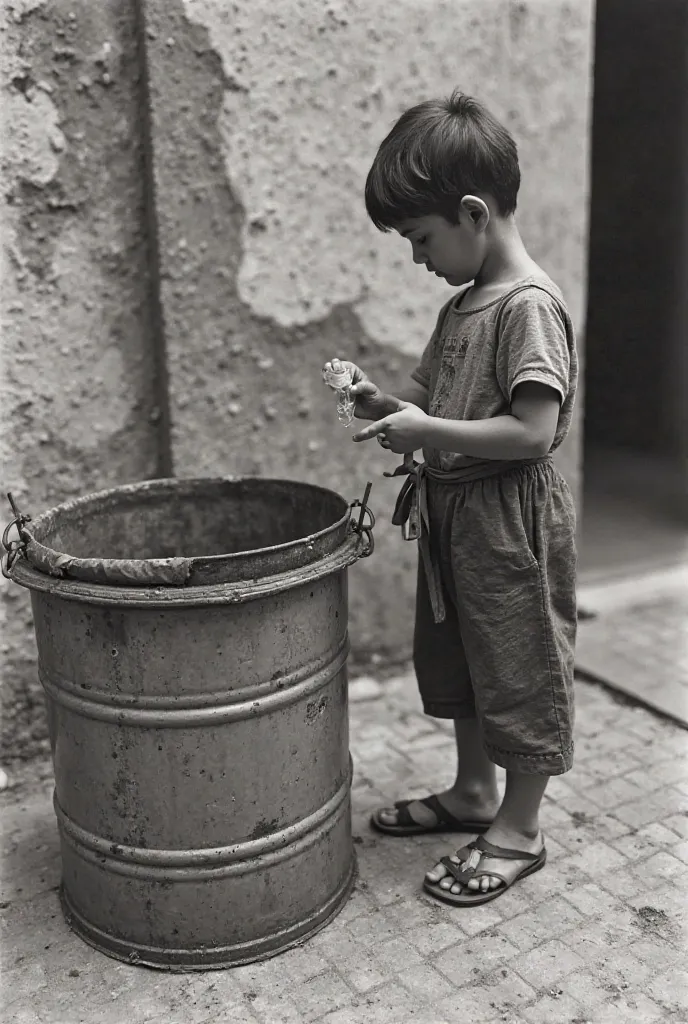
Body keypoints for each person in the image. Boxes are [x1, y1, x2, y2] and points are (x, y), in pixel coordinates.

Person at [323, 90, 578, 907]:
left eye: (421, 238)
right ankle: (474, 792)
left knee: (520, 664)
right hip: (455, 516)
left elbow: (533, 432)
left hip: (509, 522)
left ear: (473, 213)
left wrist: (430, 427)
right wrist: (378, 403)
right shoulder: (460, 304)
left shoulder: (528, 308)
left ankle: (521, 827)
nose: (416, 256)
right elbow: (427, 401)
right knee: (467, 658)